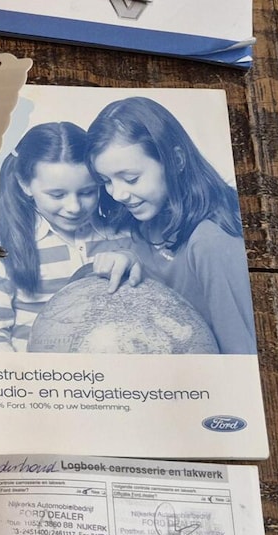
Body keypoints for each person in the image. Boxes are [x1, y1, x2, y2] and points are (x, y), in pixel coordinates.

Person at [86, 96, 256, 354]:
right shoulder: (146, 218)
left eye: (131, 179)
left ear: (176, 161)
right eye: (106, 181)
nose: (118, 194)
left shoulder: (211, 242)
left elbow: (242, 354)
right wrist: (127, 258)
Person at [0, 121, 137, 351]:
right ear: (25, 184)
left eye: (87, 192)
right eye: (57, 195)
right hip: (36, 370)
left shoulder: (123, 235)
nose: (74, 207)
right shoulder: (6, 246)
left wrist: (132, 260)